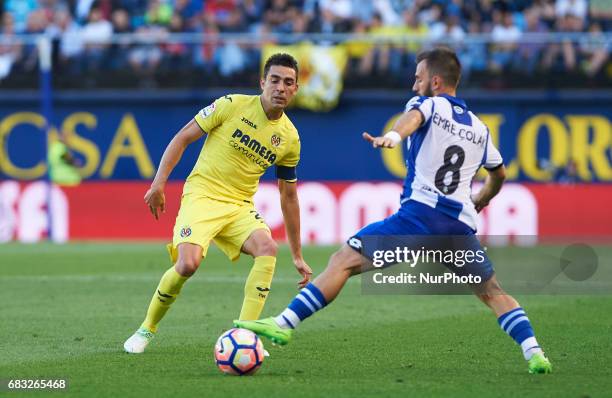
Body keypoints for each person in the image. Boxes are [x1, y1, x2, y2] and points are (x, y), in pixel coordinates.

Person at [235, 47, 553, 374]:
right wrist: (483, 199)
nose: (415, 86)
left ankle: (285, 322)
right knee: (492, 292)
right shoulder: (480, 129)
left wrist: (392, 135)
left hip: (419, 219)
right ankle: (535, 353)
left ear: (436, 81)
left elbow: (413, 117)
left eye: (419, 79)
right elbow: (499, 174)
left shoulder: (428, 104)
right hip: (459, 227)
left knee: (342, 261)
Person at [124, 53, 313, 353]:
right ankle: (147, 328)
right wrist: (158, 183)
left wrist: (298, 254)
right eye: (274, 80)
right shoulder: (232, 105)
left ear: (295, 89)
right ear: (262, 82)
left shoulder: (290, 138)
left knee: (267, 248)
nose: (280, 87)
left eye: (288, 82)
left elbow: (288, 196)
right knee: (187, 265)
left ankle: (246, 336)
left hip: (238, 205)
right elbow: (183, 137)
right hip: (202, 195)